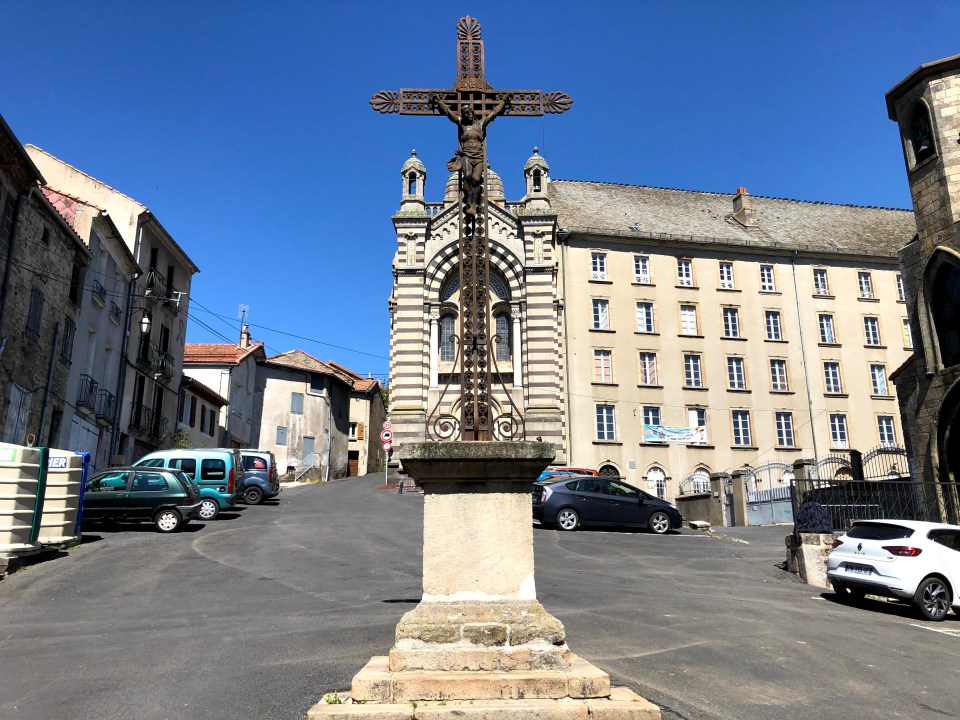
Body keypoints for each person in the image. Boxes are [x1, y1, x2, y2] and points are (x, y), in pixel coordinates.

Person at [431, 93, 512, 217]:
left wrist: (504, 101)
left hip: (478, 156)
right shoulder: (462, 125)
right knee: (467, 176)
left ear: (472, 112)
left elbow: (495, 112)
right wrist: (438, 101)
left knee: (476, 179)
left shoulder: (481, 124)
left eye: (468, 112)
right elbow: (448, 112)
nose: (466, 114)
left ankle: (474, 203)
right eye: (464, 113)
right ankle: (468, 199)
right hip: (467, 155)